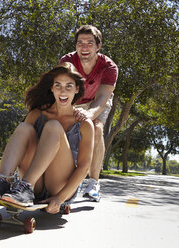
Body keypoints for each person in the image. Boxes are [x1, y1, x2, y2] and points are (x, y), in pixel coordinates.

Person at [0, 62, 94, 214]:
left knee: (53, 127)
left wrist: (60, 198)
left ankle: (25, 186)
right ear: (52, 88)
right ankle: (2, 181)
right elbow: (20, 147)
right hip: (34, 186)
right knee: (23, 128)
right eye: (58, 85)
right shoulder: (37, 114)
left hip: (60, 187)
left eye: (69, 86)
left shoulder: (84, 123)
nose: (63, 91)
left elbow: (84, 167)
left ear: (77, 89)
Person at [59, 25, 118, 200]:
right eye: (80, 43)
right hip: (75, 100)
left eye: (90, 43)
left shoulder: (109, 67)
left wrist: (89, 115)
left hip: (97, 100)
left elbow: (102, 99)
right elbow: (64, 90)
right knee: (61, 129)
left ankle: (93, 182)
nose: (84, 47)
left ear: (98, 46)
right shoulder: (67, 61)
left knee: (96, 127)